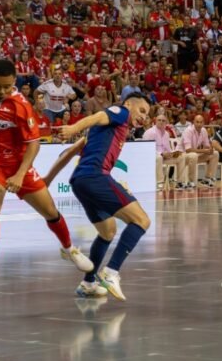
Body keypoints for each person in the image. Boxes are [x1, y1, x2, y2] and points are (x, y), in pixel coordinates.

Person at [0, 59, 93, 279]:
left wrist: (19, 175)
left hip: (19, 166)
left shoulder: (21, 106)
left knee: (50, 211)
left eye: (8, 86)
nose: (2, 91)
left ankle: (69, 249)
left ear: (14, 82)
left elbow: (34, 144)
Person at [44, 93, 153, 301]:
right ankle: (111, 272)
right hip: (95, 177)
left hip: (79, 182)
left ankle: (88, 283)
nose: (143, 117)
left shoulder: (105, 131)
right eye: (141, 111)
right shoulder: (121, 112)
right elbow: (97, 116)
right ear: (129, 104)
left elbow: (70, 152)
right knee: (142, 220)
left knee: (107, 231)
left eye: (147, 115)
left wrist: (48, 178)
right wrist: (74, 128)